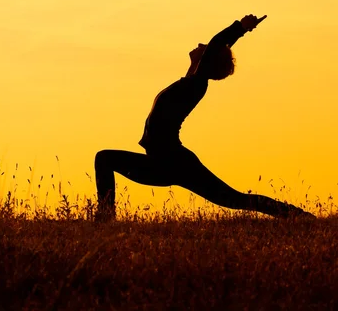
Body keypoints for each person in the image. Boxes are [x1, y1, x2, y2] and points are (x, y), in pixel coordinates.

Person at [94, 14, 315, 220]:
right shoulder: (190, 81)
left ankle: (299, 216)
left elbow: (217, 42)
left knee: (235, 199)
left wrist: (241, 27)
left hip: (174, 161)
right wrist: (195, 63)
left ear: (210, 60)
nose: (201, 45)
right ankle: (105, 218)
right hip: (161, 161)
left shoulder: (197, 84)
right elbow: (206, 56)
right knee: (104, 159)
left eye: (206, 49)